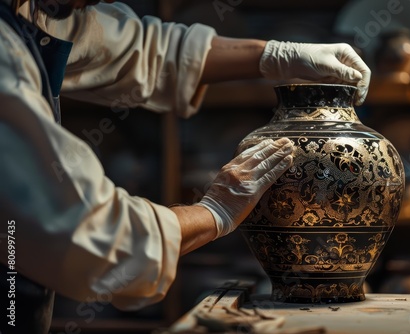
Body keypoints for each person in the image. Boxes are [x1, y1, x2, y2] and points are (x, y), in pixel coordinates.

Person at [0, 0, 371, 332]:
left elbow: (138, 49)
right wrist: (214, 212)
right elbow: (89, 236)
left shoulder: (30, 9)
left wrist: (275, 54)